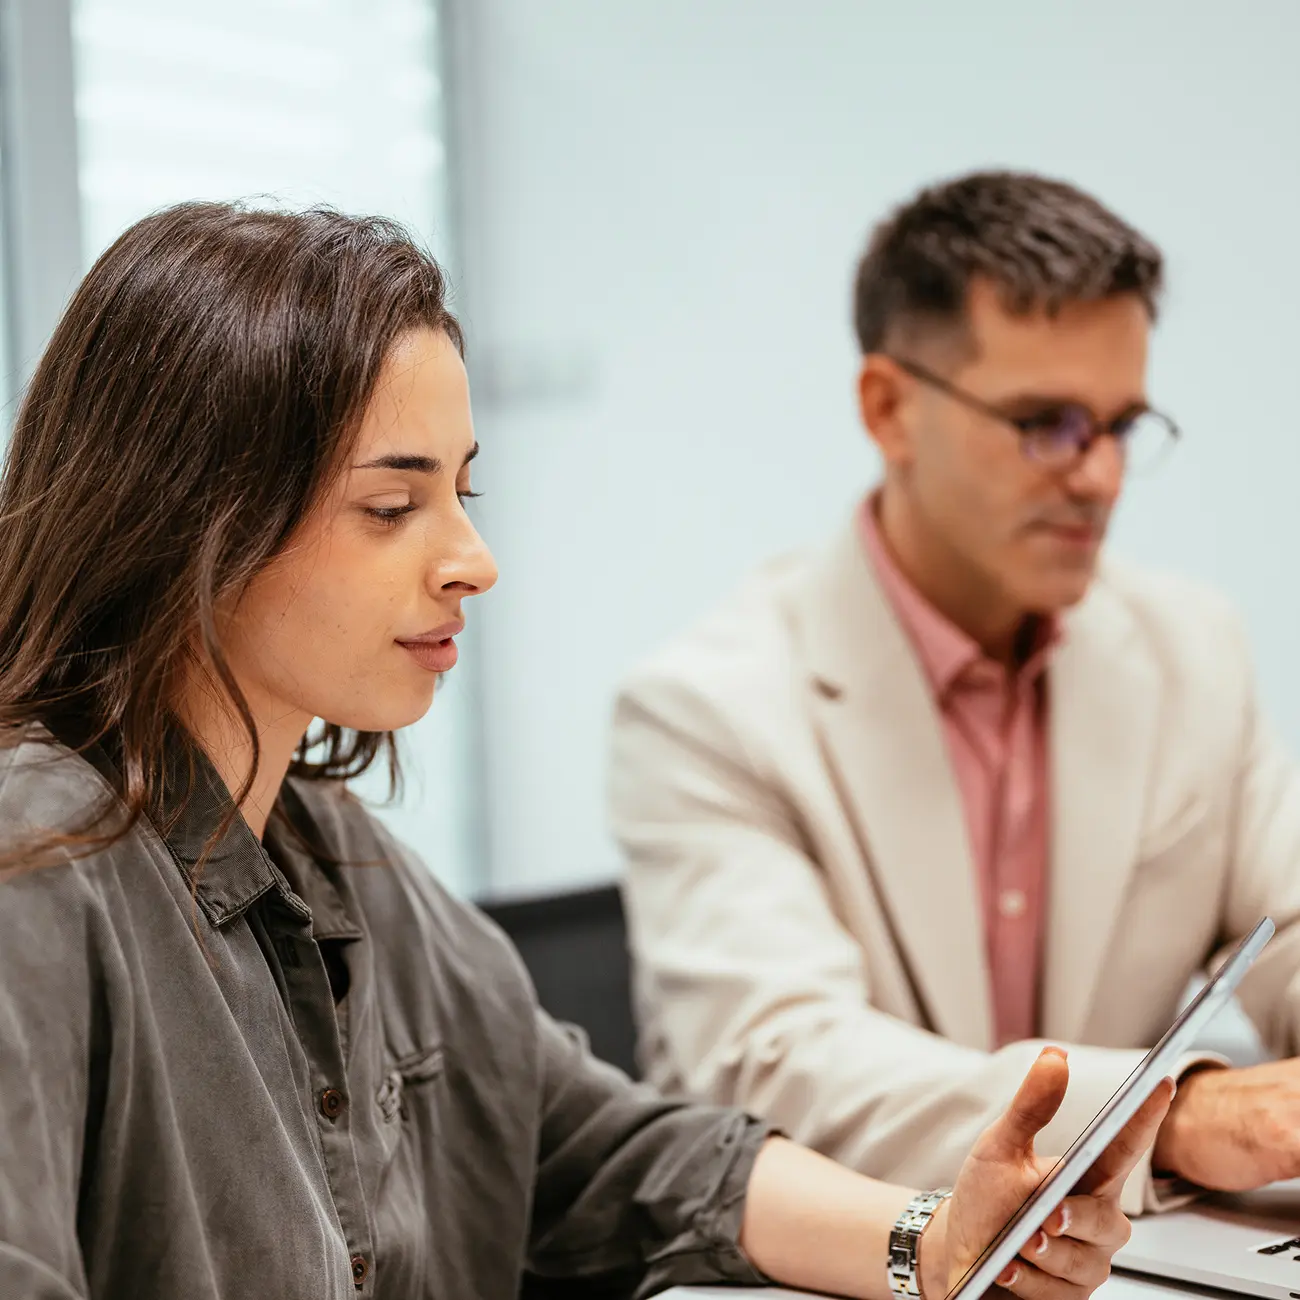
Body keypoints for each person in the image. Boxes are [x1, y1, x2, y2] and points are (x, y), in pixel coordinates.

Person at [0, 202, 1168, 1300]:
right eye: (391, 506)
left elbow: (597, 1145)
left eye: (462, 491)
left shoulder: (321, 844)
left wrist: (933, 1243)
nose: (473, 558)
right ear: (193, 517)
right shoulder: (37, 863)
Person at [609, 168, 1300, 1219]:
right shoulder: (707, 709)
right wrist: (1180, 1111)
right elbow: (776, 1062)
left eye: (1119, 425)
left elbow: (1288, 925)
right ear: (888, 409)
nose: (1100, 476)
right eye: (1046, 423)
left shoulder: (1189, 648)